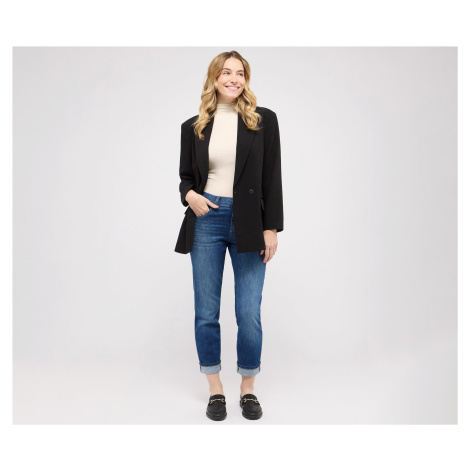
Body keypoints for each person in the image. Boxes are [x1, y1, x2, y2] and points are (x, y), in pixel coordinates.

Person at [175, 51, 284, 421]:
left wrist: (271, 226)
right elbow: (185, 179)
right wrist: (191, 196)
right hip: (207, 218)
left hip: (250, 220)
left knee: (248, 312)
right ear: (215, 78)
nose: (234, 79)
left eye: (240, 73)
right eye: (226, 72)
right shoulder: (194, 126)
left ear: (246, 80)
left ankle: (248, 389)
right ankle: (215, 390)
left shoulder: (262, 120)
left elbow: (272, 176)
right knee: (206, 311)